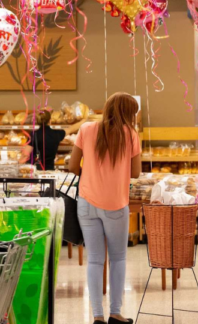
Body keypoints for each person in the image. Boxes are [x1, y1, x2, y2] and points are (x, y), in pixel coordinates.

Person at [68, 93, 140, 324]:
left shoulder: (86, 129)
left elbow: (72, 166)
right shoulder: (131, 135)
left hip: (86, 202)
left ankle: (97, 316)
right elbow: (136, 173)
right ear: (129, 113)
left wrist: (92, 169)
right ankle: (115, 313)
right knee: (118, 259)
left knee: (95, 260)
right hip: (115, 204)